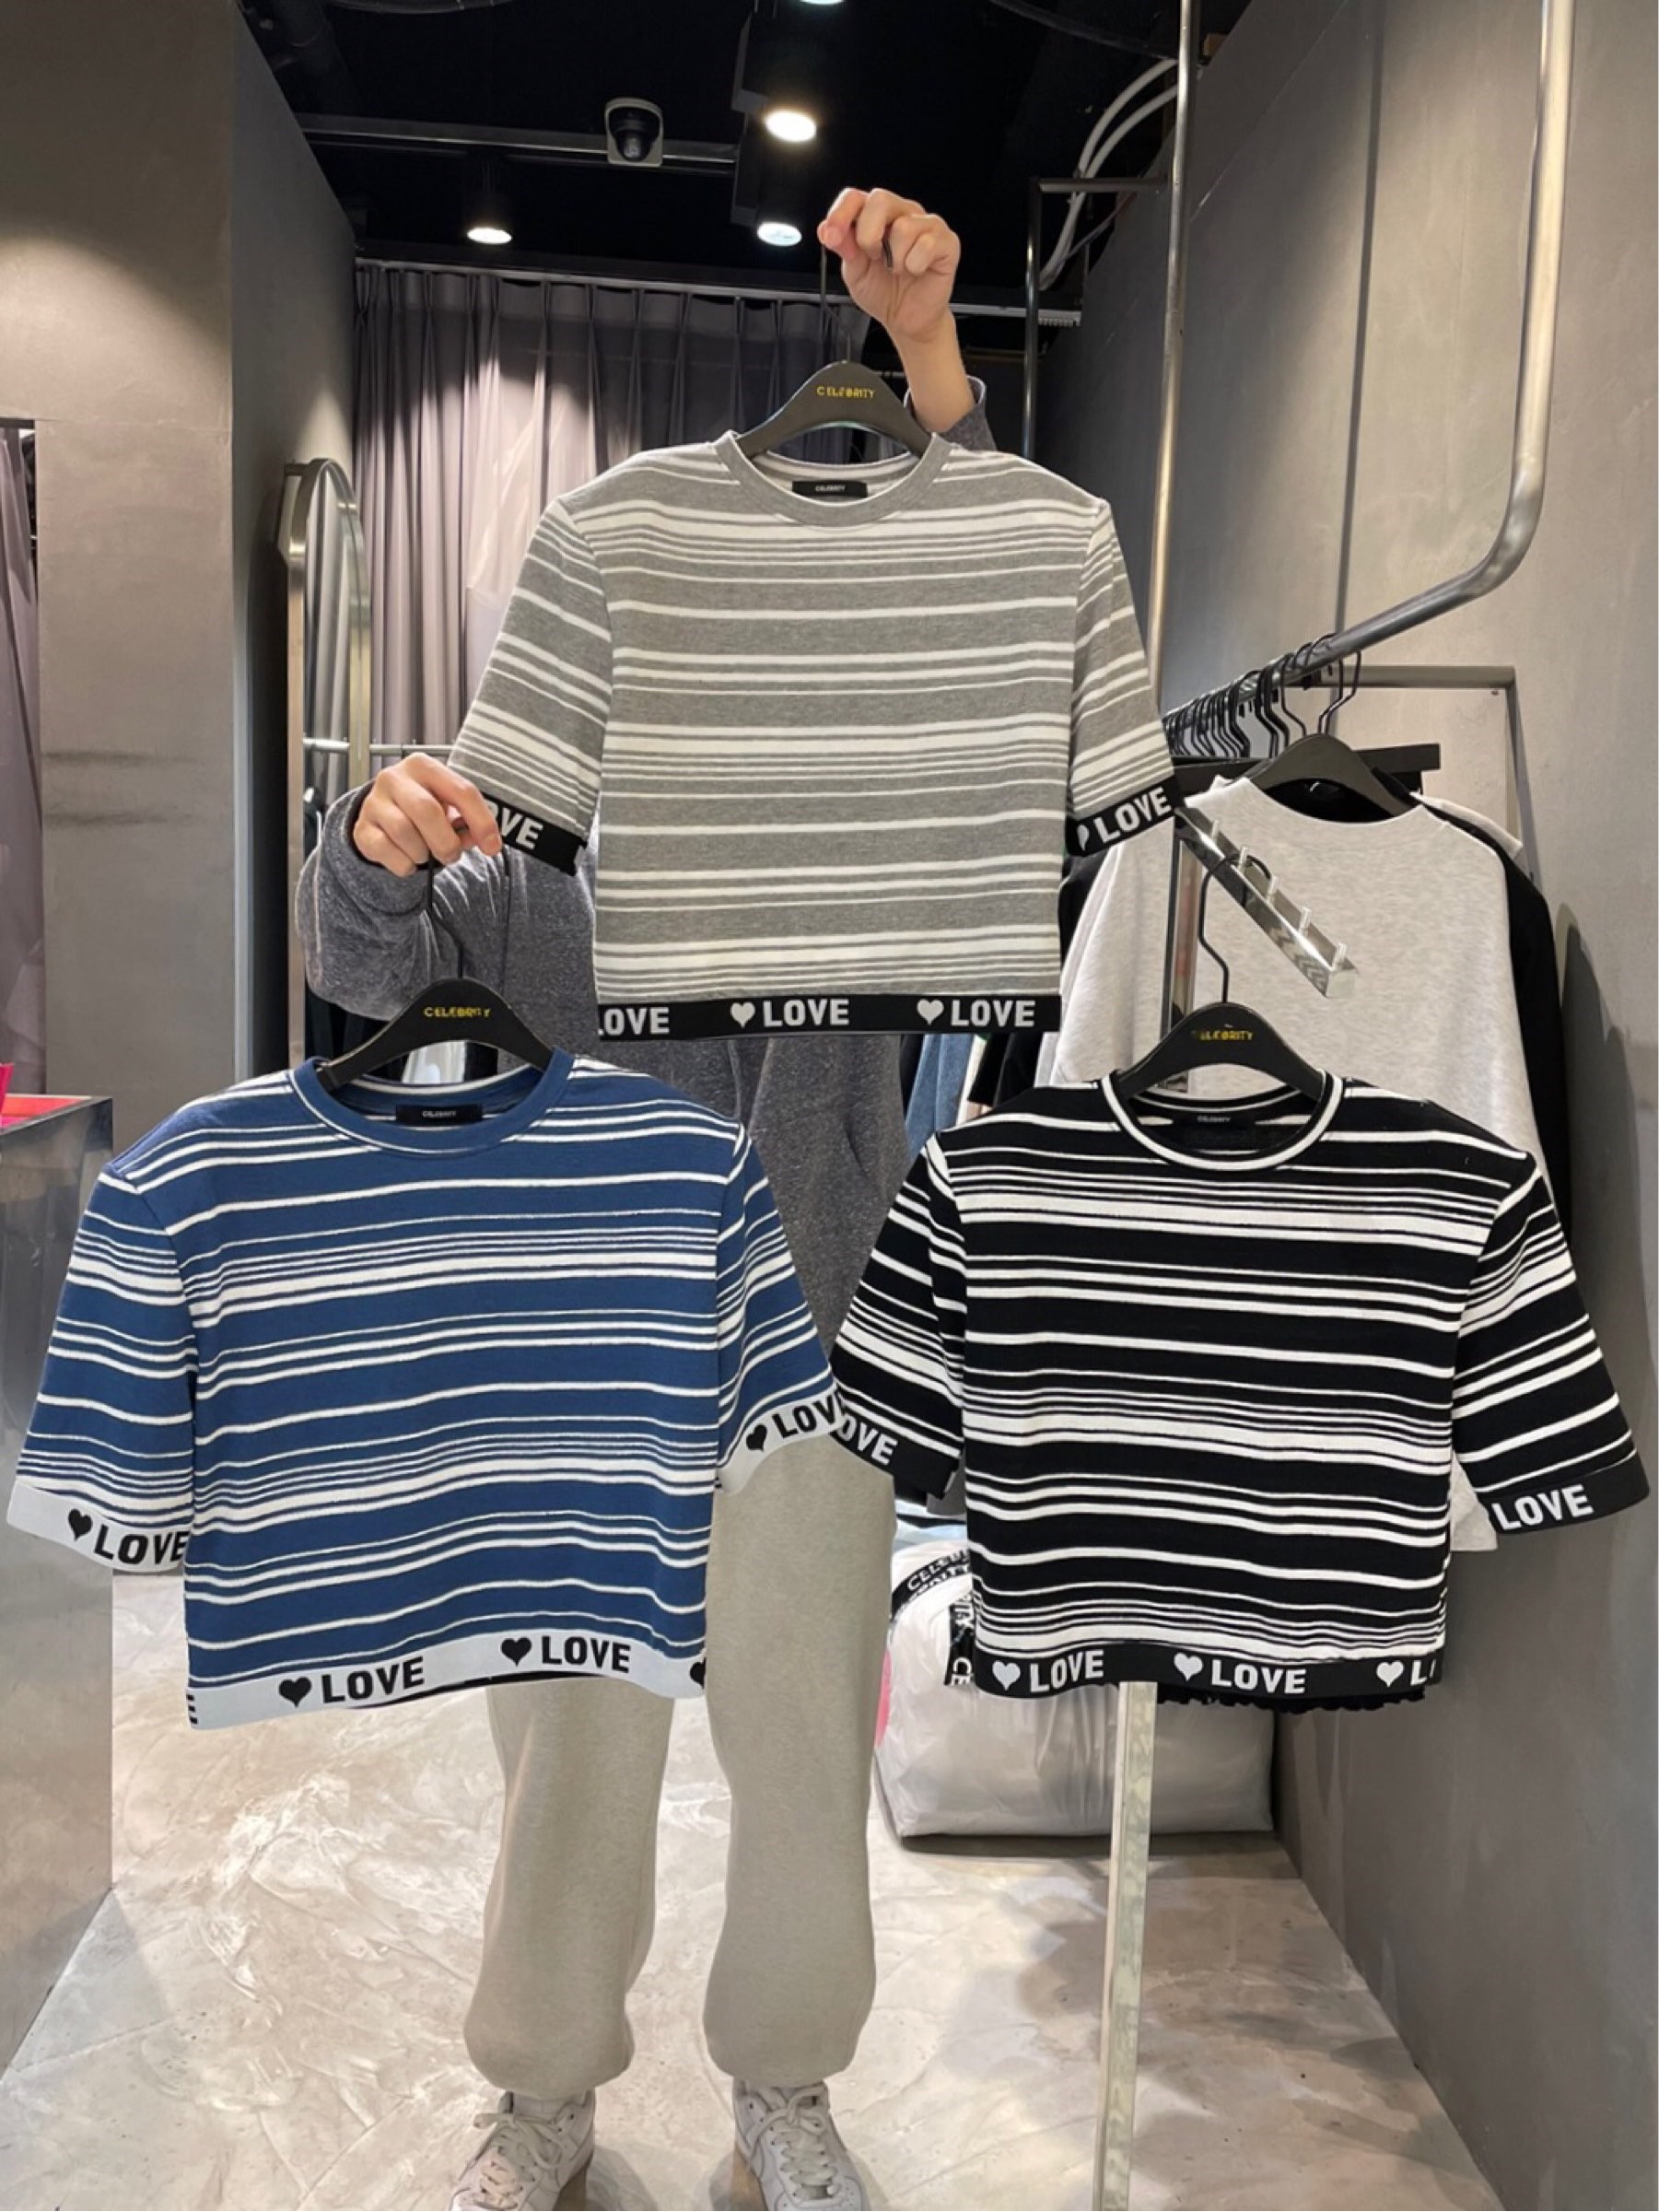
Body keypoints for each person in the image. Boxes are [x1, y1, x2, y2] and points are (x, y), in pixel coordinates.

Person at [298, 189, 998, 2212]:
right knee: (564, 1772)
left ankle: (785, 2088)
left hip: (817, 1361)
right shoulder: (525, 873)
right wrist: (367, 825)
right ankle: (544, 2097)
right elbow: (356, 959)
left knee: (802, 1766)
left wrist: (928, 354)